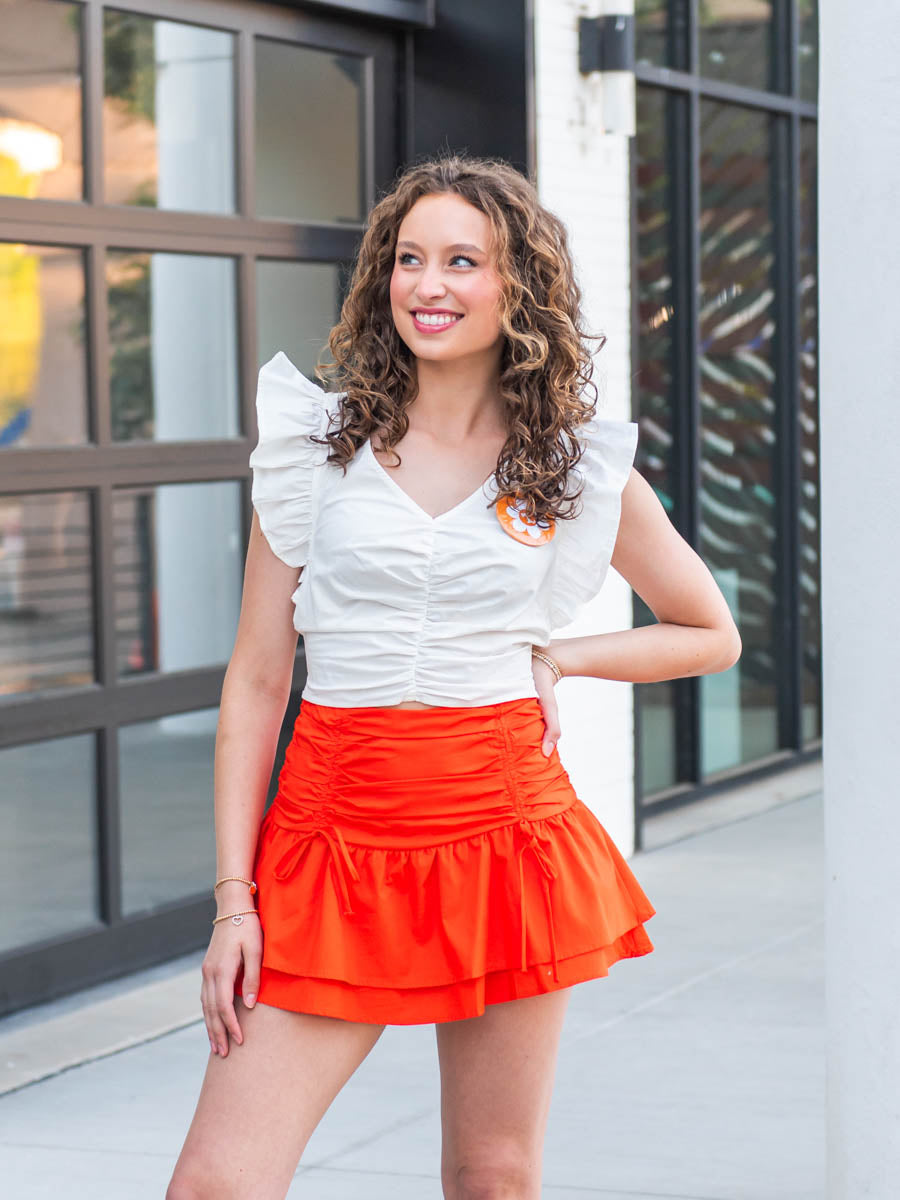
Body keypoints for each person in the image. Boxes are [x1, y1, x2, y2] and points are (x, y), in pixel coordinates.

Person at [167, 152, 741, 1200]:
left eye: (462, 261)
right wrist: (234, 900)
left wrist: (559, 657)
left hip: (506, 838)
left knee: (492, 1177)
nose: (427, 285)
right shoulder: (315, 450)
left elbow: (708, 631)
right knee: (216, 1185)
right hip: (329, 844)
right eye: (409, 258)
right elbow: (257, 683)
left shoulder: (572, 468)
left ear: (517, 285)